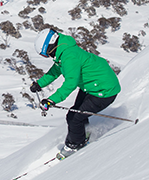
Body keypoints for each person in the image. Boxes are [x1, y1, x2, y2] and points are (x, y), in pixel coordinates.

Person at [29, 28, 121, 156]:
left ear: (50, 47)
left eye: (46, 54)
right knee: (75, 113)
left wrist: (51, 100)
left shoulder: (69, 56)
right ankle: (84, 134)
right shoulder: (63, 51)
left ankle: (75, 146)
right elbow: (55, 71)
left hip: (104, 90)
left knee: (74, 118)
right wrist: (39, 84)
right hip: (92, 86)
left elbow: (70, 83)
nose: (47, 56)